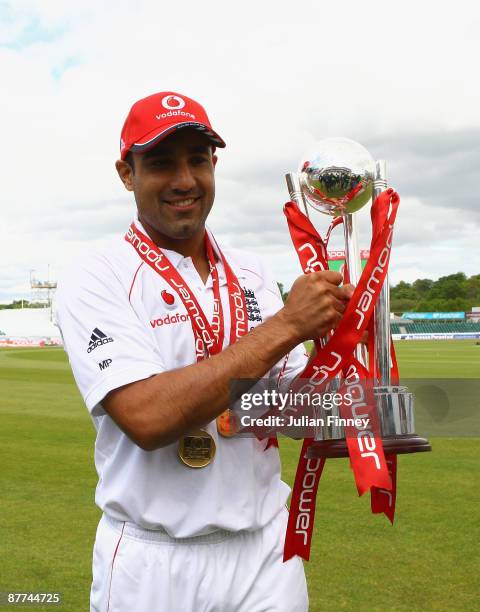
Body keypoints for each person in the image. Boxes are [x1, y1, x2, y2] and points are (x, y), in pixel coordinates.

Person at [55, 91, 353, 612]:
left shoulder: (252, 271)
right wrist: (288, 325)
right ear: (127, 173)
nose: (184, 180)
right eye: (161, 163)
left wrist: (349, 359)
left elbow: (288, 412)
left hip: (266, 550)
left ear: (214, 165)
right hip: (154, 558)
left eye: (198, 160)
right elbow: (147, 418)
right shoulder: (96, 273)